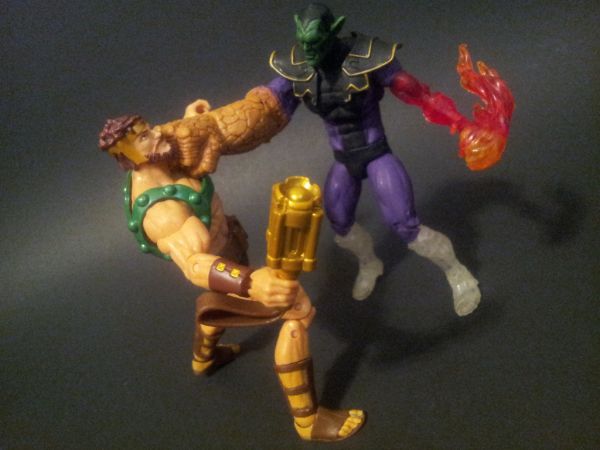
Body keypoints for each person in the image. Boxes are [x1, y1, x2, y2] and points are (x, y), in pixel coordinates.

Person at [98, 101, 365, 442]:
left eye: (148, 128)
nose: (157, 133)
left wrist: (191, 118)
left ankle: (204, 360)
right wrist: (252, 283)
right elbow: (194, 265)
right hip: (222, 269)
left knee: (217, 307)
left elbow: (174, 135)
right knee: (296, 308)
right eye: (143, 137)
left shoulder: (157, 155)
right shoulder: (164, 214)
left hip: (230, 247)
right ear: (126, 157)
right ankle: (308, 420)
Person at [263, 3, 513, 312]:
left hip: (375, 153)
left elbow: (419, 95)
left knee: (405, 225)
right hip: (343, 159)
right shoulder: (298, 66)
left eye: (315, 43)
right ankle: (370, 263)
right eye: (305, 44)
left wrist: (461, 125)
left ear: (333, 31)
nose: (309, 51)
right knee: (339, 222)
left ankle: (456, 271)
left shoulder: (367, 56)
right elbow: (265, 104)